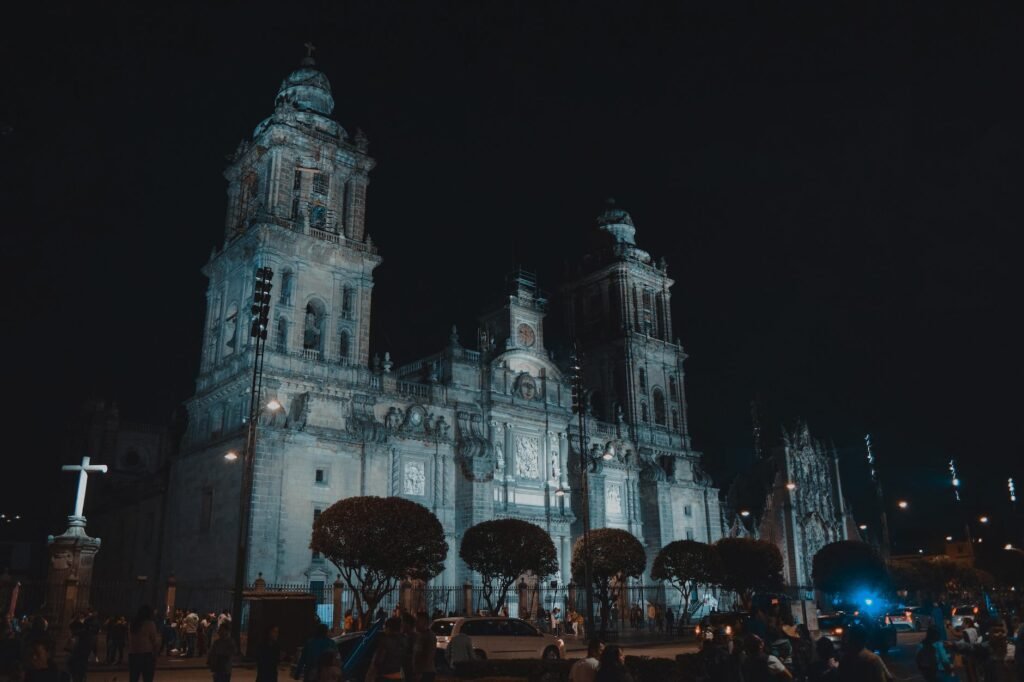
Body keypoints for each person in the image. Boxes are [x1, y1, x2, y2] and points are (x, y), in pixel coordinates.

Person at [127, 605, 160, 682]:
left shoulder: (132, 624)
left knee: (133, 678)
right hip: (146, 655)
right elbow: (154, 641)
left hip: (133, 655)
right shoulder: (149, 624)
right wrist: (155, 654)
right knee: (147, 679)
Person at [366, 617, 404, 681]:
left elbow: (378, 661)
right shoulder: (404, 640)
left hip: (385, 677)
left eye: (385, 628)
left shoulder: (385, 642)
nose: (384, 630)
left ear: (388, 628)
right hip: (399, 676)